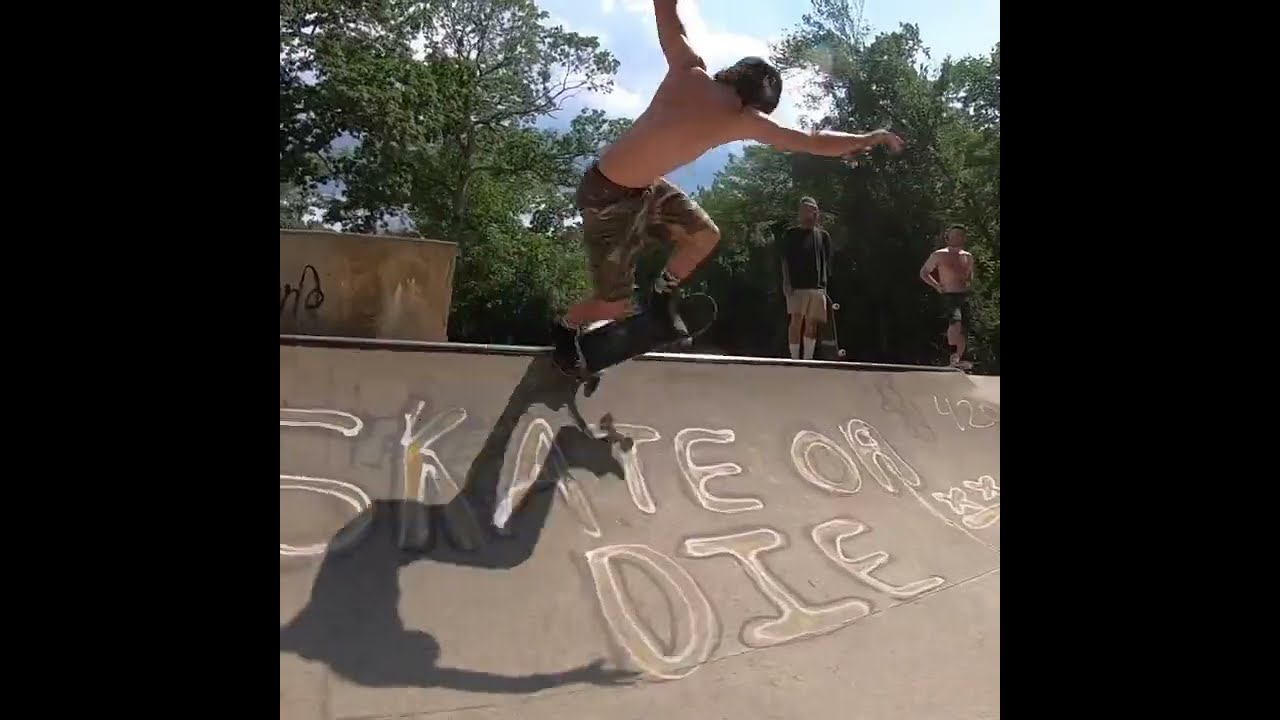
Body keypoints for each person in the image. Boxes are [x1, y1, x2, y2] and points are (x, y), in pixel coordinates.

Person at [551, 0, 904, 370]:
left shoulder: (689, 68)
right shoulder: (744, 119)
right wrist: (868, 138)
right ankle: (565, 328)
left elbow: (667, 14)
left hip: (642, 188)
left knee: (705, 234)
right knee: (614, 304)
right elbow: (813, 141)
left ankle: (660, 295)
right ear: (757, 105)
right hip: (607, 198)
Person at [778, 197, 833, 359]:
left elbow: (826, 261)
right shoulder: (791, 234)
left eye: (810, 209)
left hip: (817, 287)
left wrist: (824, 287)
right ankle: (794, 358)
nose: (806, 213)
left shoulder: (823, 236)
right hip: (796, 286)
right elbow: (785, 260)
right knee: (796, 321)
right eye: (803, 210)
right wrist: (786, 282)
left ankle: (807, 359)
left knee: (812, 323)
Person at [919, 225, 976, 367]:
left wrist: (970, 285)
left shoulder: (967, 256)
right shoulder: (939, 254)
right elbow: (924, 273)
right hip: (949, 294)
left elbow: (970, 276)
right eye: (954, 234)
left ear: (964, 238)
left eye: (959, 235)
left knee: (963, 330)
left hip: (964, 294)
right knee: (955, 322)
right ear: (948, 237)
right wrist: (937, 285)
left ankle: (957, 360)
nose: (956, 237)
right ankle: (953, 355)